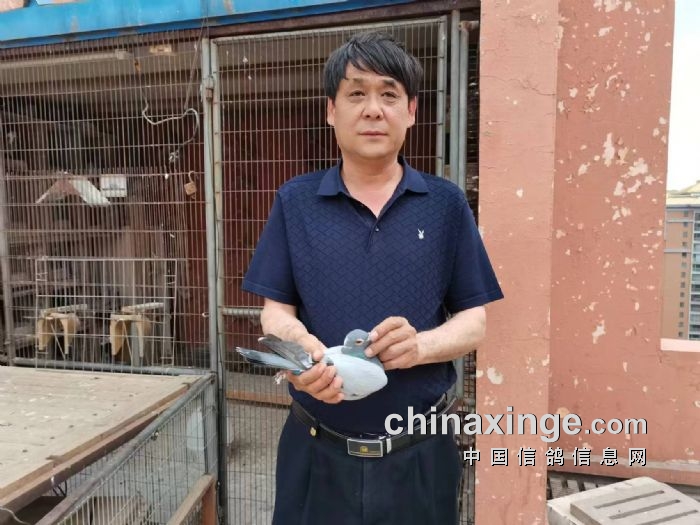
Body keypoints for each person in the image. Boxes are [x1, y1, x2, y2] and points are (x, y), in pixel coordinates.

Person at [242, 31, 503, 525]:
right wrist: (304, 352)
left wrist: (420, 347)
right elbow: (275, 312)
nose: (373, 110)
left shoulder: (445, 205)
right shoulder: (296, 202)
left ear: (411, 111)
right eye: (356, 93)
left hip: (420, 455)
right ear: (331, 110)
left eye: (389, 94)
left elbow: (475, 321)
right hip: (314, 451)